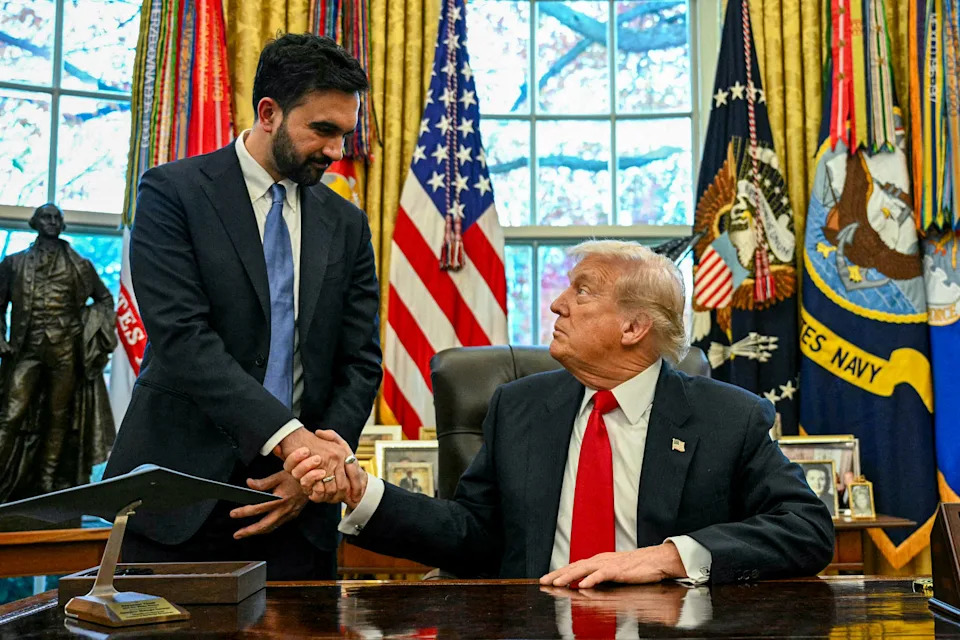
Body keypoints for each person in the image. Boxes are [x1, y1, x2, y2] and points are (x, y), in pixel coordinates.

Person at [287, 240, 835, 585]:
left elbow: (807, 529)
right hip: (535, 624)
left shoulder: (728, 417)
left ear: (633, 327)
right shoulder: (520, 407)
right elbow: (472, 534)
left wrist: (667, 557)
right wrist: (363, 491)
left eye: (582, 291)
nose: (556, 303)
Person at [104, 34, 382, 580]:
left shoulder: (346, 222)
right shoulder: (173, 193)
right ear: (269, 113)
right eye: (322, 130)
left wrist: (315, 464)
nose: (335, 151)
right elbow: (183, 339)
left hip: (300, 506)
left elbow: (361, 360)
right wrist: (294, 441)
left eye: (344, 135)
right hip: (179, 497)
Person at [0, 203, 117, 501]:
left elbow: (105, 300)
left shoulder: (80, 266)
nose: (52, 222)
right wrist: (0, 338)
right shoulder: (14, 263)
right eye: (46, 217)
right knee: (10, 414)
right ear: (35, 222)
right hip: (26, 350)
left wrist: (87, 328)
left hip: (65, 350)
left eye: (57, 218)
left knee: (59, 416)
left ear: (62, 225)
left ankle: (47, 484)